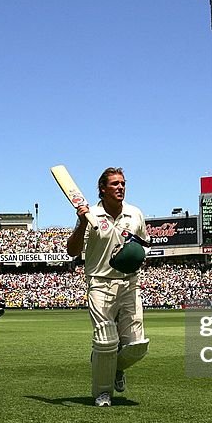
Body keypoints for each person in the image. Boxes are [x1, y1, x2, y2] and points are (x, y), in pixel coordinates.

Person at [66, 167, 150, 407]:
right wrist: (82, 223)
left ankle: (112, 367)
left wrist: (134, 254)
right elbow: (72, 250)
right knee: (105, 341)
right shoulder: (91, 214)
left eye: (123, 183)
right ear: (102, 189)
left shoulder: (135, 214)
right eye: (115, 184)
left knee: (137, 346)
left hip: (130, 283)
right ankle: (103, 393)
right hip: (100, 283)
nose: (121, 187)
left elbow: (145, 245)